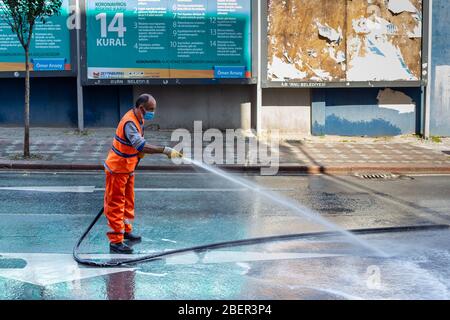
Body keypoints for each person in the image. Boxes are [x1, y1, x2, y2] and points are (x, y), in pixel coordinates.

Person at [103, 93, 182, 254]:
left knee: (127, 201)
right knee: (116, 204)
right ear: (141, 108)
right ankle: (116, 241)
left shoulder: (139, 118)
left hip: (128, 167)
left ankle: (125, 230)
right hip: (117, 168)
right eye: (151, 109)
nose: (153, 112)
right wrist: (164, 150)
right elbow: (140, 144)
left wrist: (137, 153)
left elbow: (135, 143)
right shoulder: (130, 122)